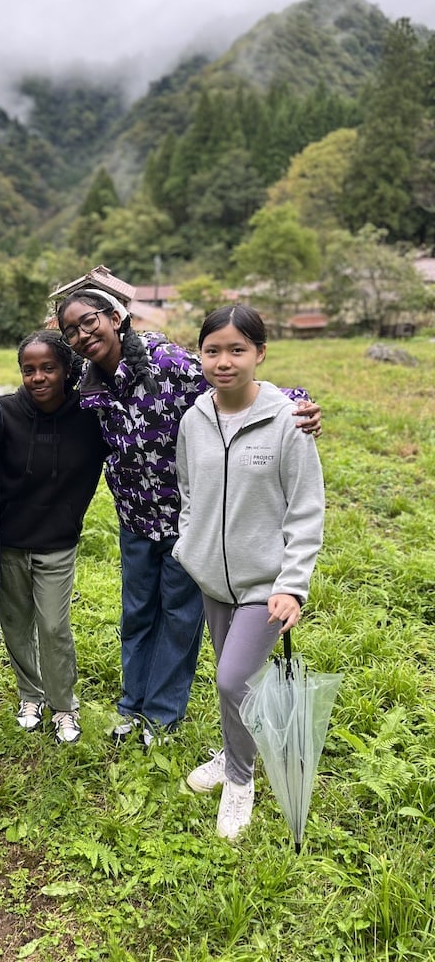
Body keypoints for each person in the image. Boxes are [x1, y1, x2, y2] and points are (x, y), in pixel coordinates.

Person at [55, 288, 321, 747]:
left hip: (187, 522)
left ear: (116, 316)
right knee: (137, 615)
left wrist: (299, 404)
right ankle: (131, 708)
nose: (83, 334)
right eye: (71, 330)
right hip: (134, 519)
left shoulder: (167, 361)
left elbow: (233, 382)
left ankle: (160, 718)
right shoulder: (88, 381)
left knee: (179, 620)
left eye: (89, 321)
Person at [173, 305, 325, 839]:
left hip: (266, 586)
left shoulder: (289, 420)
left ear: (260, 353)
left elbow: (306, 508)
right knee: (233, 683)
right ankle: (232, 750)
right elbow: (188, 489)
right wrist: (189, 546)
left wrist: (292, 585)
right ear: (200, 354)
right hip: (212, 578)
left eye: (237, 349)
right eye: (212, 350)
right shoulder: (194, 419)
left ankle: (240, 779)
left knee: (233, 677)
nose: (224, 361)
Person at [0, 330, 108, 743]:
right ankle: (31, 694)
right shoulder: (3, 413)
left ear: (67, 370)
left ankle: (64, 705)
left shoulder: (90, 416)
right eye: (29, 370)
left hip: (58, 544)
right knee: (15, 625)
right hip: (9, 543)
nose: (38, 377)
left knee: (53, 626)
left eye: (48, 368)